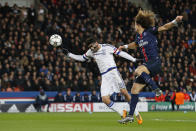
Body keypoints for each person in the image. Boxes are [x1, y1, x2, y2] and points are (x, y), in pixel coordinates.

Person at [118, 10, 183, 123]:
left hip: (155, 62)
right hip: (148, 65)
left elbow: (164, 27)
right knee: (134, 89)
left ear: (138, 24)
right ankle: (130, 115)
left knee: (138, 70)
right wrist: (124, 46)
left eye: (134, 24)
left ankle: (155, 88)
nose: (134, 26)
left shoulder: (150, 31)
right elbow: (135, 44)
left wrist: (175, 21)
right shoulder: (138, 36)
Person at [63, 37, 143, 124]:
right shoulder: (91, 52)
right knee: (104, 99)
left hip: (113, 72)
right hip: (104, 76)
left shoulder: (107, 47)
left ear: (96, 43)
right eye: (90, 47)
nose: (91, 48)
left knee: (125, 93)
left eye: (92, 46)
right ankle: (122, 112)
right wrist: (69, 54)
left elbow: (121, 53)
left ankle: (137, 113)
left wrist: (133, 59)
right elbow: (82, 58)